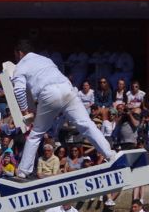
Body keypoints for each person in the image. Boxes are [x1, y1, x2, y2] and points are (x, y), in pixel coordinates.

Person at [10, 40, 115, 180]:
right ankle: (110, 154)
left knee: (35, 134)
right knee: (86, 124)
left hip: (48, 93)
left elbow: (18, 90)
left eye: (15, 55)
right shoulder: (45, 59)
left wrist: (24, 111)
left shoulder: (20, 66)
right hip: (67, 88)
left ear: (19, 53)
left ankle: (23, 171)